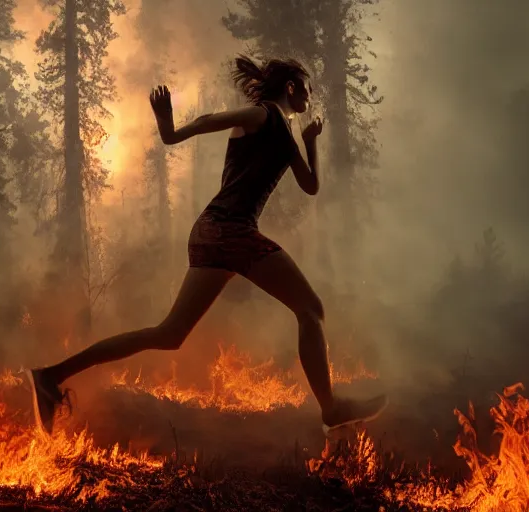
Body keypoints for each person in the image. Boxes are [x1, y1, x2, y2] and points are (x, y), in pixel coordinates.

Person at [27, 55, 387, 436]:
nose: (311, 97)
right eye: (308, 88)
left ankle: (51, 376)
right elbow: (210, 120)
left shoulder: (285, 132)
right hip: (231, 231)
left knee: (168, 334)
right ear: (292, 87)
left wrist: (310, 142)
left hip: (213, 233)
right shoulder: (262, 115)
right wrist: (168, 130)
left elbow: (310, 185)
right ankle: (330, 408)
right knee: (310, 307)